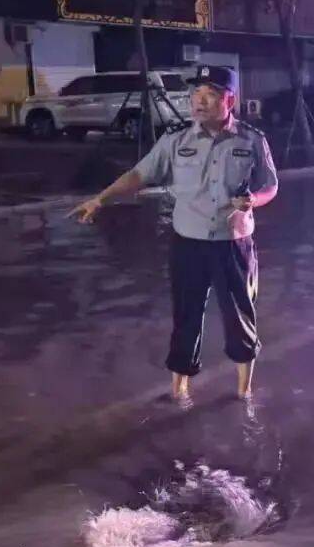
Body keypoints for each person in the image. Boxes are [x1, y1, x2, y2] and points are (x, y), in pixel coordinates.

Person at [70, 65, 278, 400]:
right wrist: (101, 199)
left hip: (233, 244)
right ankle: (179, 392)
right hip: (188, 245)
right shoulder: (175, 139)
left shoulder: (252, 140)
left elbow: (270, 186)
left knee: (240, 317)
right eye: (197, 94)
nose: (200, 101)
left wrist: (254, 200)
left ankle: (243, 393)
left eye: (210, 95)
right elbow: (139, 174)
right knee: (185, 315)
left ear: (230, 100)